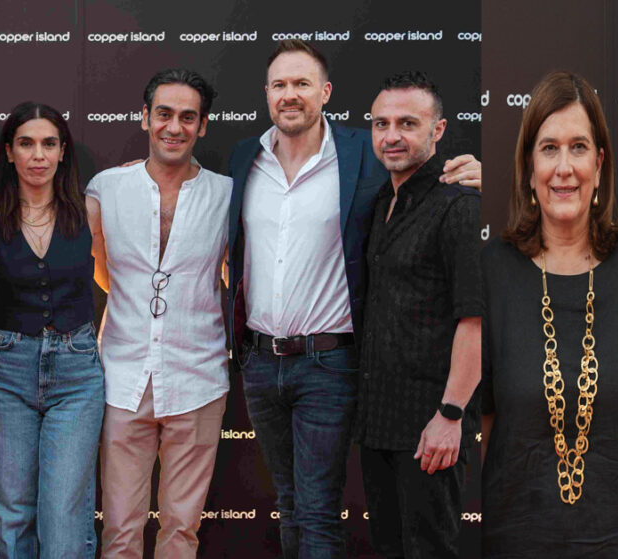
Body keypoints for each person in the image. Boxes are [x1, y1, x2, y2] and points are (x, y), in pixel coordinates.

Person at [225, 40, 480, 558]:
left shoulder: (364, 152)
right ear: (266, 93)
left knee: (320, 511)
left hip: (332, 365)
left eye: (302, 83)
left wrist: (483, 174)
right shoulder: (245, 157)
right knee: (292, 505)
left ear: (325, 92)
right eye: (279, 84)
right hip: (266, 366)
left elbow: (424, 172)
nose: (290, 94)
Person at [479, 71, 618, 557]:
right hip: (514, 542)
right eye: (549, 149)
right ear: (529, 167)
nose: (564, 168)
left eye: (578, 147)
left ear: (600, 164)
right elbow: (481, 429)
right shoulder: (492, 271)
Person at [85, 69, 229, 559]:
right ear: (145, 117)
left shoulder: (226, 194)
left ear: (202, 126)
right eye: (164, 114)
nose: (174, 127)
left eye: (188, 117)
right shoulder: (105, 188)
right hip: (122, 378)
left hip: (199, 378)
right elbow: (101, 271)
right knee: (120, 531)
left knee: (182, 531)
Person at [353, 71, 481, 559]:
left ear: (438, 129)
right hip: (378, 420)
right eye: (381, 124)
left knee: (429, 550)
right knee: (388, 548)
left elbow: (475, 321)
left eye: (407, 123)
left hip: (431, 424)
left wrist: (450, 415)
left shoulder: (459, 206)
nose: (391, 136)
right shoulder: (381, 202)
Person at [0, 102, 103, 558]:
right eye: (26, 144)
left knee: (64, 515)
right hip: (6, 371)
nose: (38, 155)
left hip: (77, 373)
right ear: (9, 151)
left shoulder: (90, 210)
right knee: (12, 513)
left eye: (49, 144)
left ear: (63, 151)